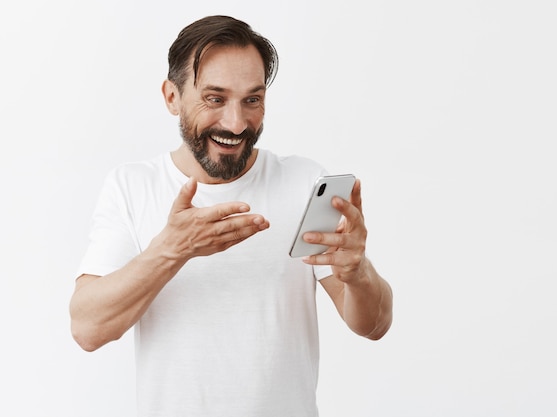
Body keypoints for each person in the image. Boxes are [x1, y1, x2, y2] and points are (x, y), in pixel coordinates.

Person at [69, 15, 393, 417]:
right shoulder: (133, 187)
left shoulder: (305, 182)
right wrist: (171, 251)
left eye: (252, 100)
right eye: (215, 98)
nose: (236, 123)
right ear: (172, 97)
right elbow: (87, 328)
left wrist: (357, 271)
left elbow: (373, 325)